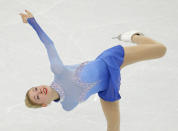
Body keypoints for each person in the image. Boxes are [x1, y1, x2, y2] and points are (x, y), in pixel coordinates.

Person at [19, 10, 167, 131]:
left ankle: (134, 36)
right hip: (107, 89)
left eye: (35, 89)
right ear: (44, 105)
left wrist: (33, 23)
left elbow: (49, 44)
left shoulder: (58, 71)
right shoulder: (67, 105)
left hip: (109, 61)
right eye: (37, 97)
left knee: (160, 50)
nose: (39, 91)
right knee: (113, 128)